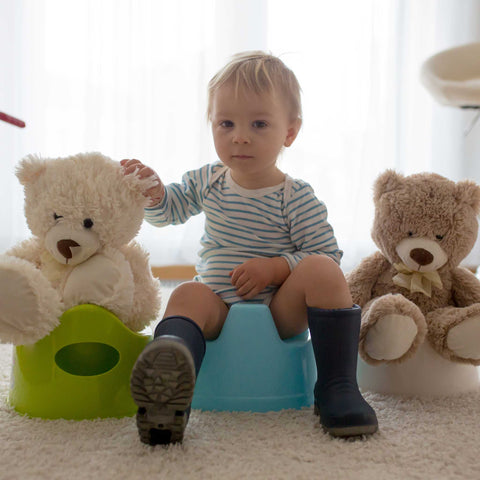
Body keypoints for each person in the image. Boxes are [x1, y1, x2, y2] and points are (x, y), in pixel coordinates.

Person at [122, 51, 378, 446]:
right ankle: (171, 383)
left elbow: (328, 255)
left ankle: (337, 386)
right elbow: (168, 212)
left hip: (277, 312)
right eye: (226, 123)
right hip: (217, 307)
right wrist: (153, 193)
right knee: (188, 292)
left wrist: (277, 268)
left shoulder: (296, 196)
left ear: (289, 132)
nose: (239, 136)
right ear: (212, 126)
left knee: (322, 271)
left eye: (259, 124)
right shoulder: (208, 180)